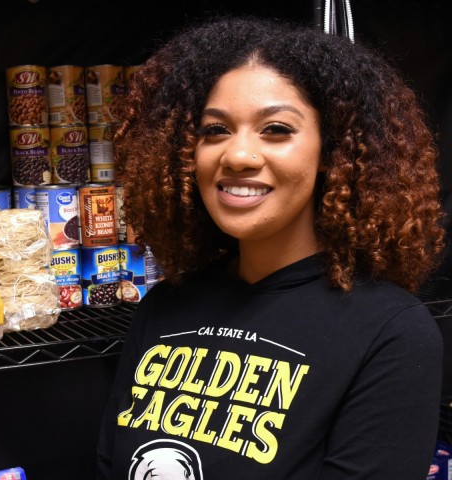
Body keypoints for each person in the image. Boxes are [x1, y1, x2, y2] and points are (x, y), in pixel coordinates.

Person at [97, 15, 446, 480]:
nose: (237, 155)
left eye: (276, 129)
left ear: (332, 154)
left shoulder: (390, 333)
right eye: (215, 130)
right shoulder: (167, 306)